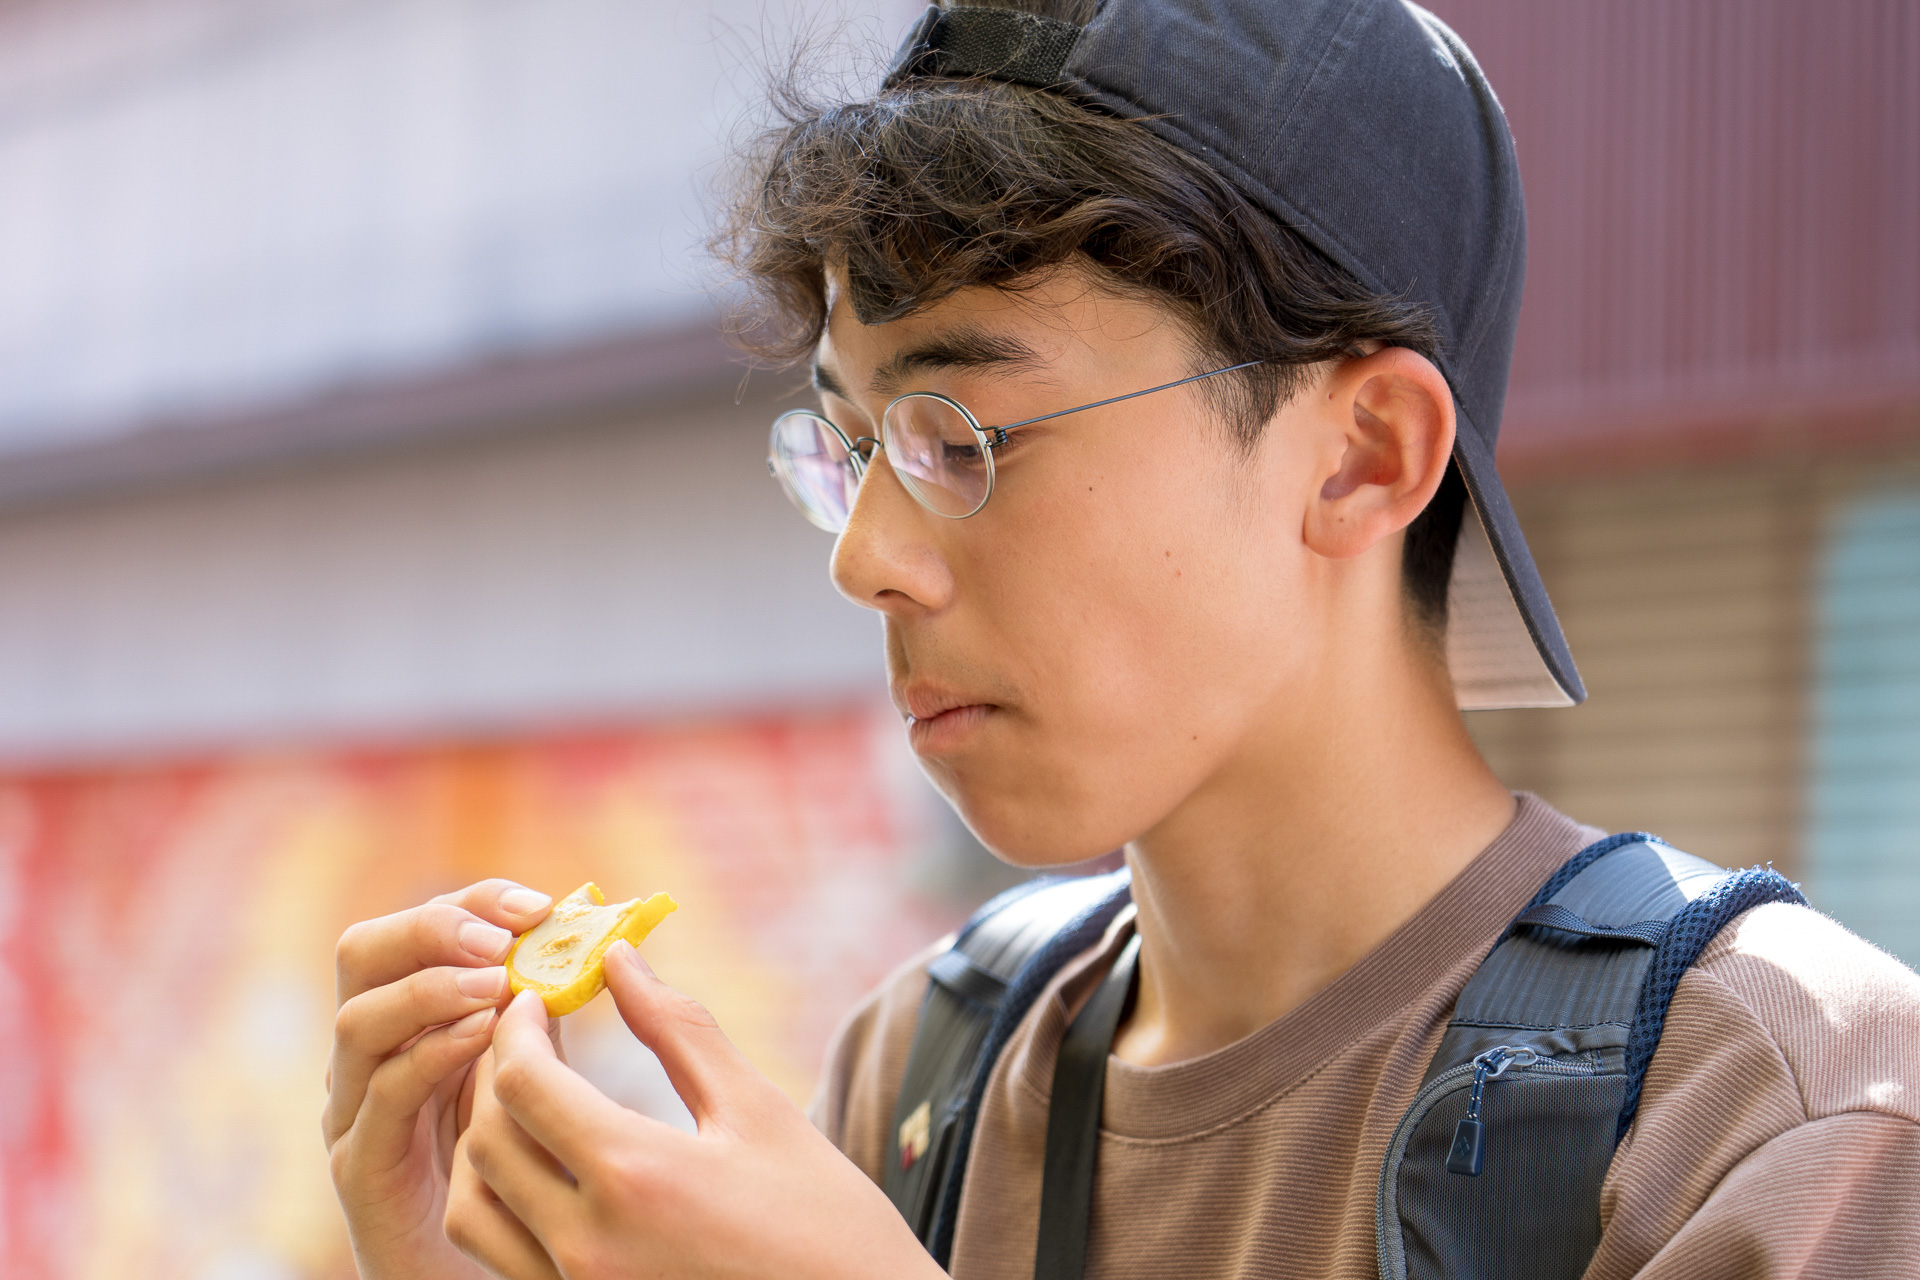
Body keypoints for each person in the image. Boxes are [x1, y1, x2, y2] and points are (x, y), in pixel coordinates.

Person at [323, 1, 1920, 1276]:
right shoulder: (929, 1073)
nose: (871, 557)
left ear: (1362, 456)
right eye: (854, 445)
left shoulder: (1779, 1116)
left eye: (963, 432)